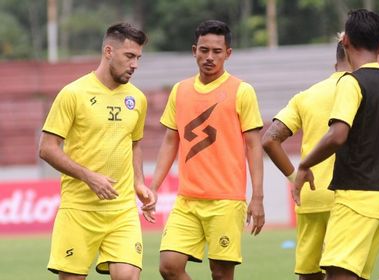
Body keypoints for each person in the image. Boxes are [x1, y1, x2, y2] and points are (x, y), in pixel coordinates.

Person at [293, 9, 379, 280]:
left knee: (339, 275)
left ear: (345, 40)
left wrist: (305, 163)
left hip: (355, 198)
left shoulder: (351, 83)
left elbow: (337, 135)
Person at [144, 20, 265, 280]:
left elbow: (254, 145)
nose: (209, 57)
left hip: (226, 200)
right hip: (187, 200)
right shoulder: (180, 90)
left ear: (228, 53)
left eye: (217, 51)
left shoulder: (242, 91)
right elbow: (170, 141)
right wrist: (153, 186)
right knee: (169, 266)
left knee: (221, 274)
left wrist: (257, 196)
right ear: (194, 50)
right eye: (204, 50)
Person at [38, 23, 152, 280]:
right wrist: (89, 176)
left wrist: (139, 183)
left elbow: (135, 144)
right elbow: (46, 148)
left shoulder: (138, 99)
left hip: (121, 210)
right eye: (129, 56)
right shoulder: (73, 94)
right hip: (79, 210)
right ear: (109, 52)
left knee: (128, 277)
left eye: (138, 58)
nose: (135, 65)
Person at [262, 36, 351, 280]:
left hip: (311, 196)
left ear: (335, 64)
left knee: (309, 274)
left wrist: (294, 176)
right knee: (347, 273)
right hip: (351, 197)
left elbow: (269, 139)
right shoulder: (365, 90)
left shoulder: (307, 95)